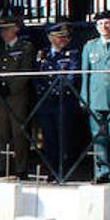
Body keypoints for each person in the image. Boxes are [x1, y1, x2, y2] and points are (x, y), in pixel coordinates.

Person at [79, 11, 110, 184]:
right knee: (98, 136)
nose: (104, 27)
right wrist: (84, 97)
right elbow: (86, 74)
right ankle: (102, 169)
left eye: (107, 23)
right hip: (95, 97)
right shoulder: (90, 46)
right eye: (100, 24)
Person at [35, 25, 82, 180]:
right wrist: (44, 92)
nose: (63, 40)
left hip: (64, 100)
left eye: (65, 37)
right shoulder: (42, 54)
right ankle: (51, 169)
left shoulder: (72, 53)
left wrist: (57, 91)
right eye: (59, 37)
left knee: (64, 137)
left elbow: (71, 75)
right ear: (50, 38)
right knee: (48, 137)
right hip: (46, 102)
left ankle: (64, 169)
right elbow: (37, 77)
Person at [0, 18, 36, 178]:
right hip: (0, 97)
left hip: (17, 97)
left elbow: (25, 71)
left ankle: (21, 167)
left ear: (15, 29)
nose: (3, 33)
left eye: (7, 29)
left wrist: (10, 88)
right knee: (1, 132)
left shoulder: (25, 47)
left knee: (19, 133)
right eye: (2, 30)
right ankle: (2, 165)